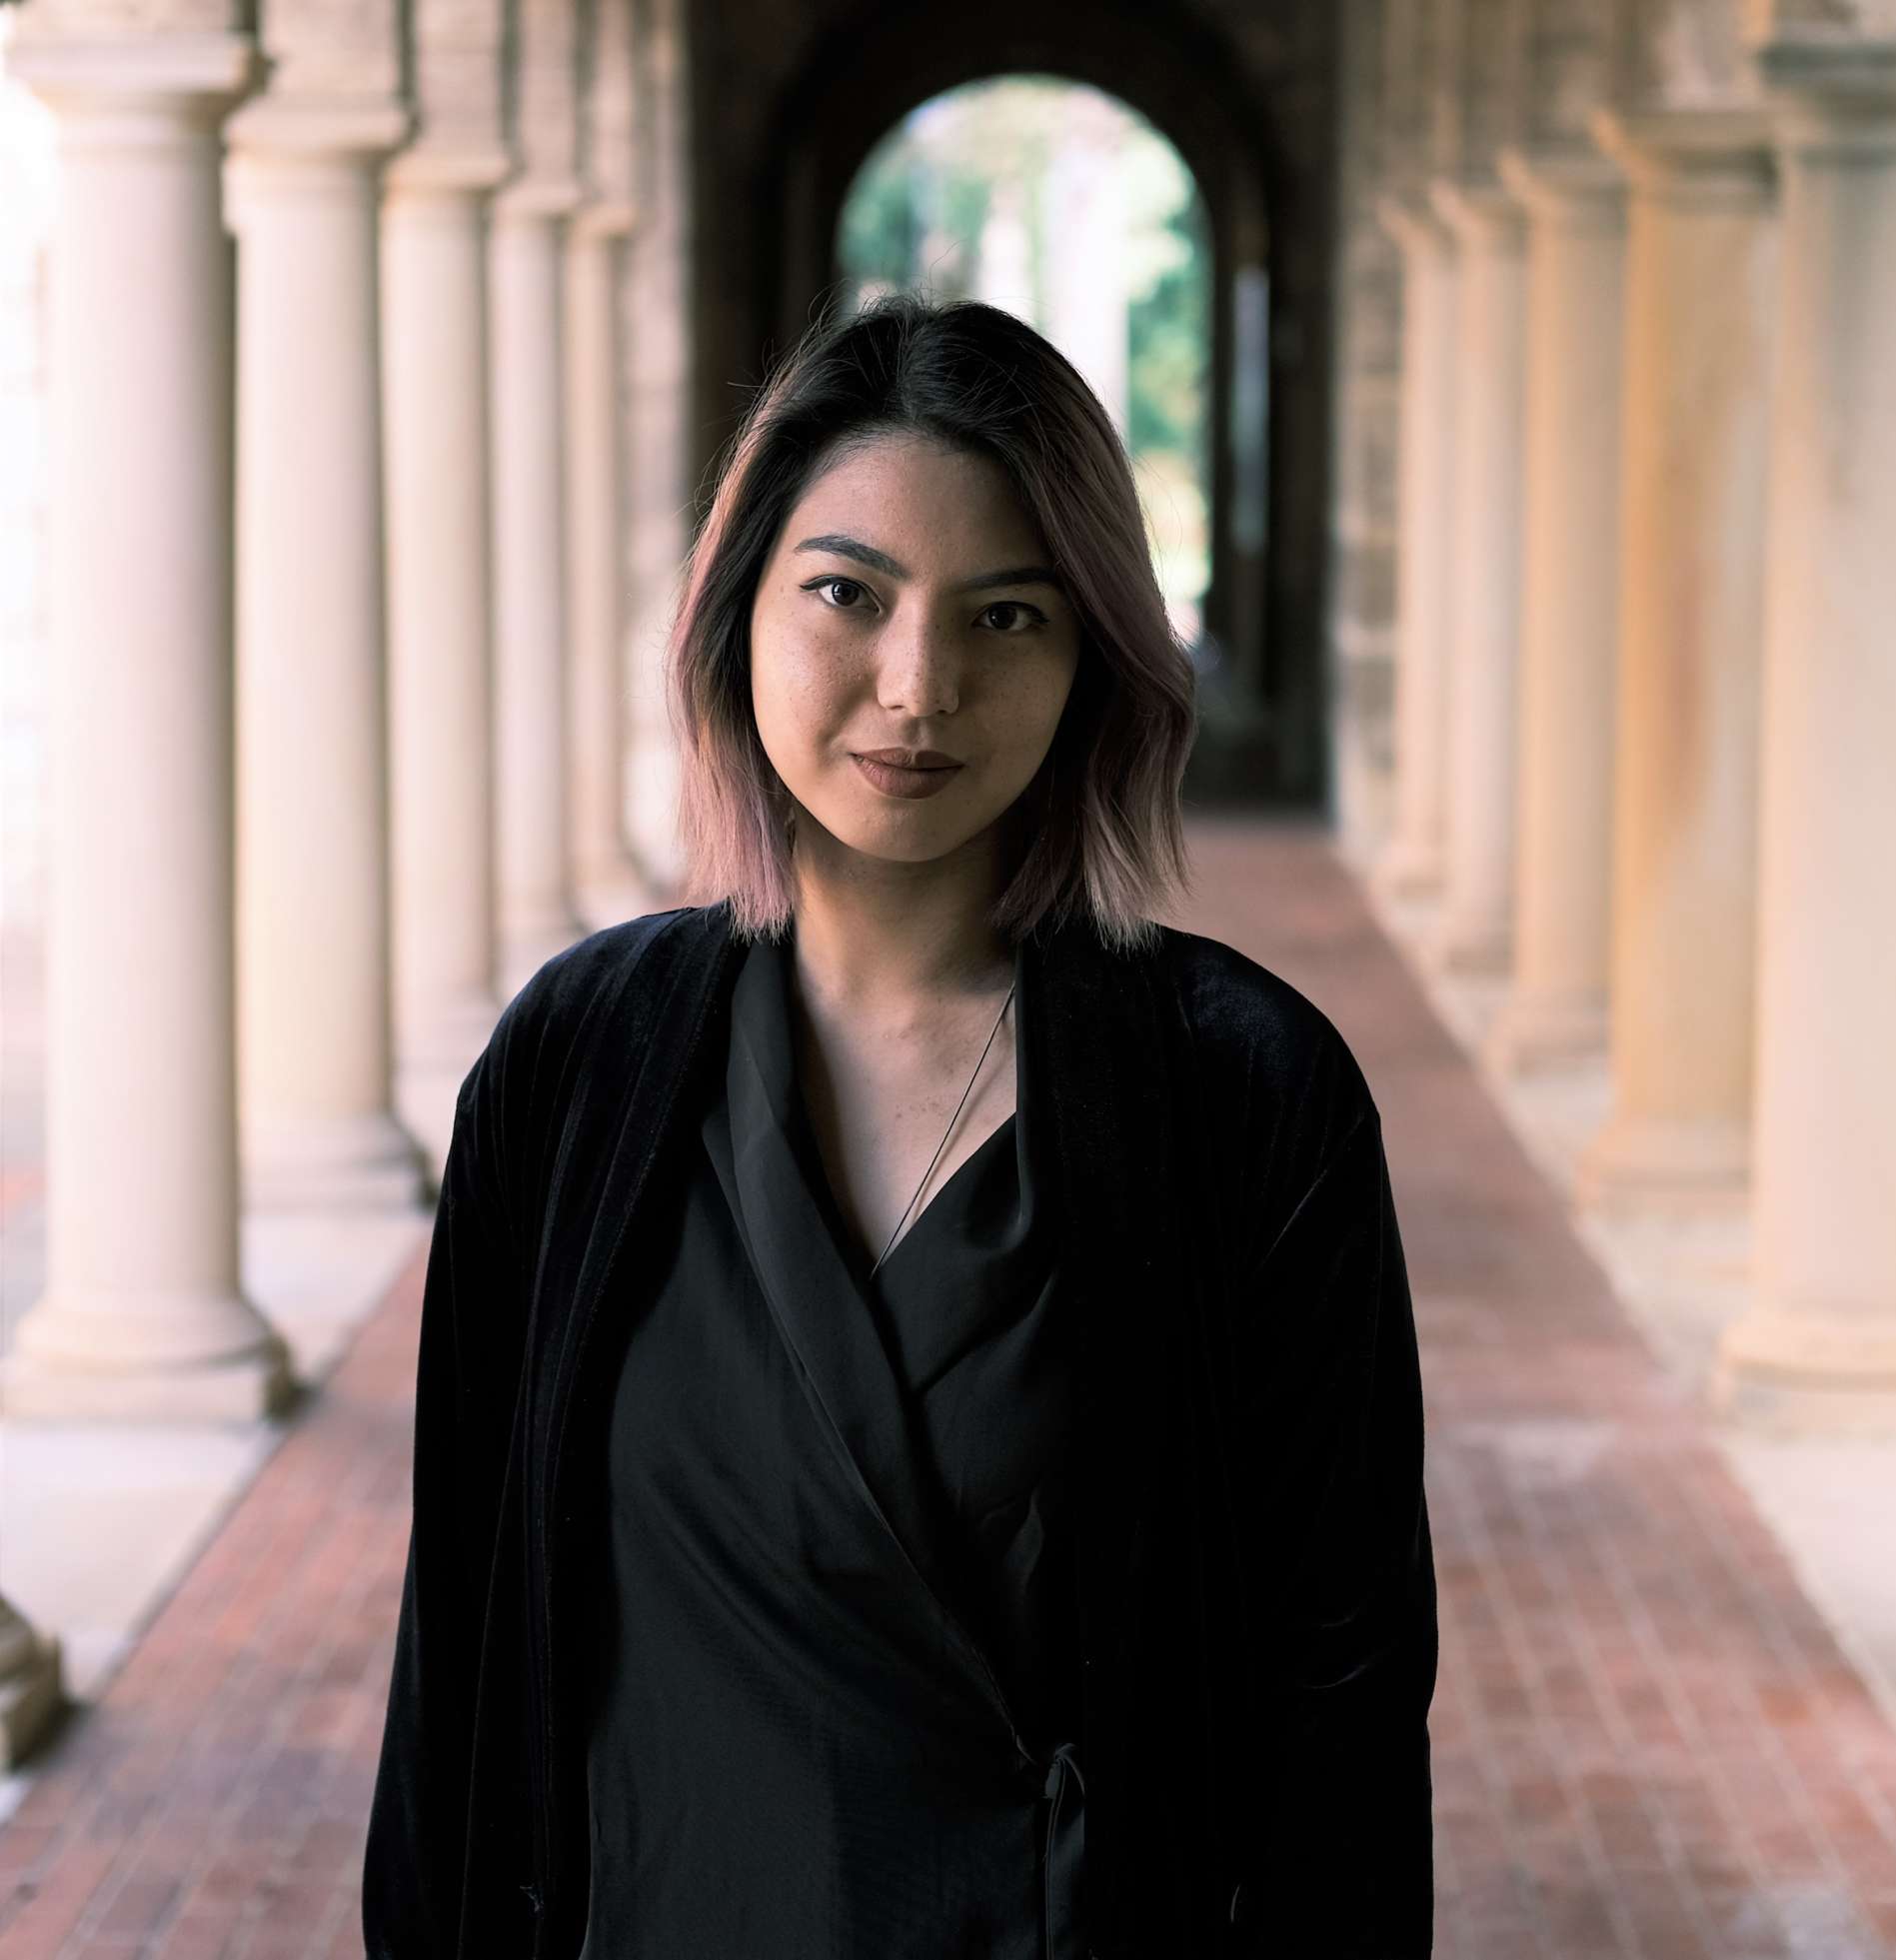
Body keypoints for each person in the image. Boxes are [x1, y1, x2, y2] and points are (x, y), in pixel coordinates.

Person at [363, 293, 1438, 1960]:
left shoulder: (1248, 1095)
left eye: (1006, 615)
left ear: (1094, 660)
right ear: (738, 615)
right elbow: (465, 1651)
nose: (917, 685)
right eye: (846, 595)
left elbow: (1345, 1698)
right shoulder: (572, 1068)